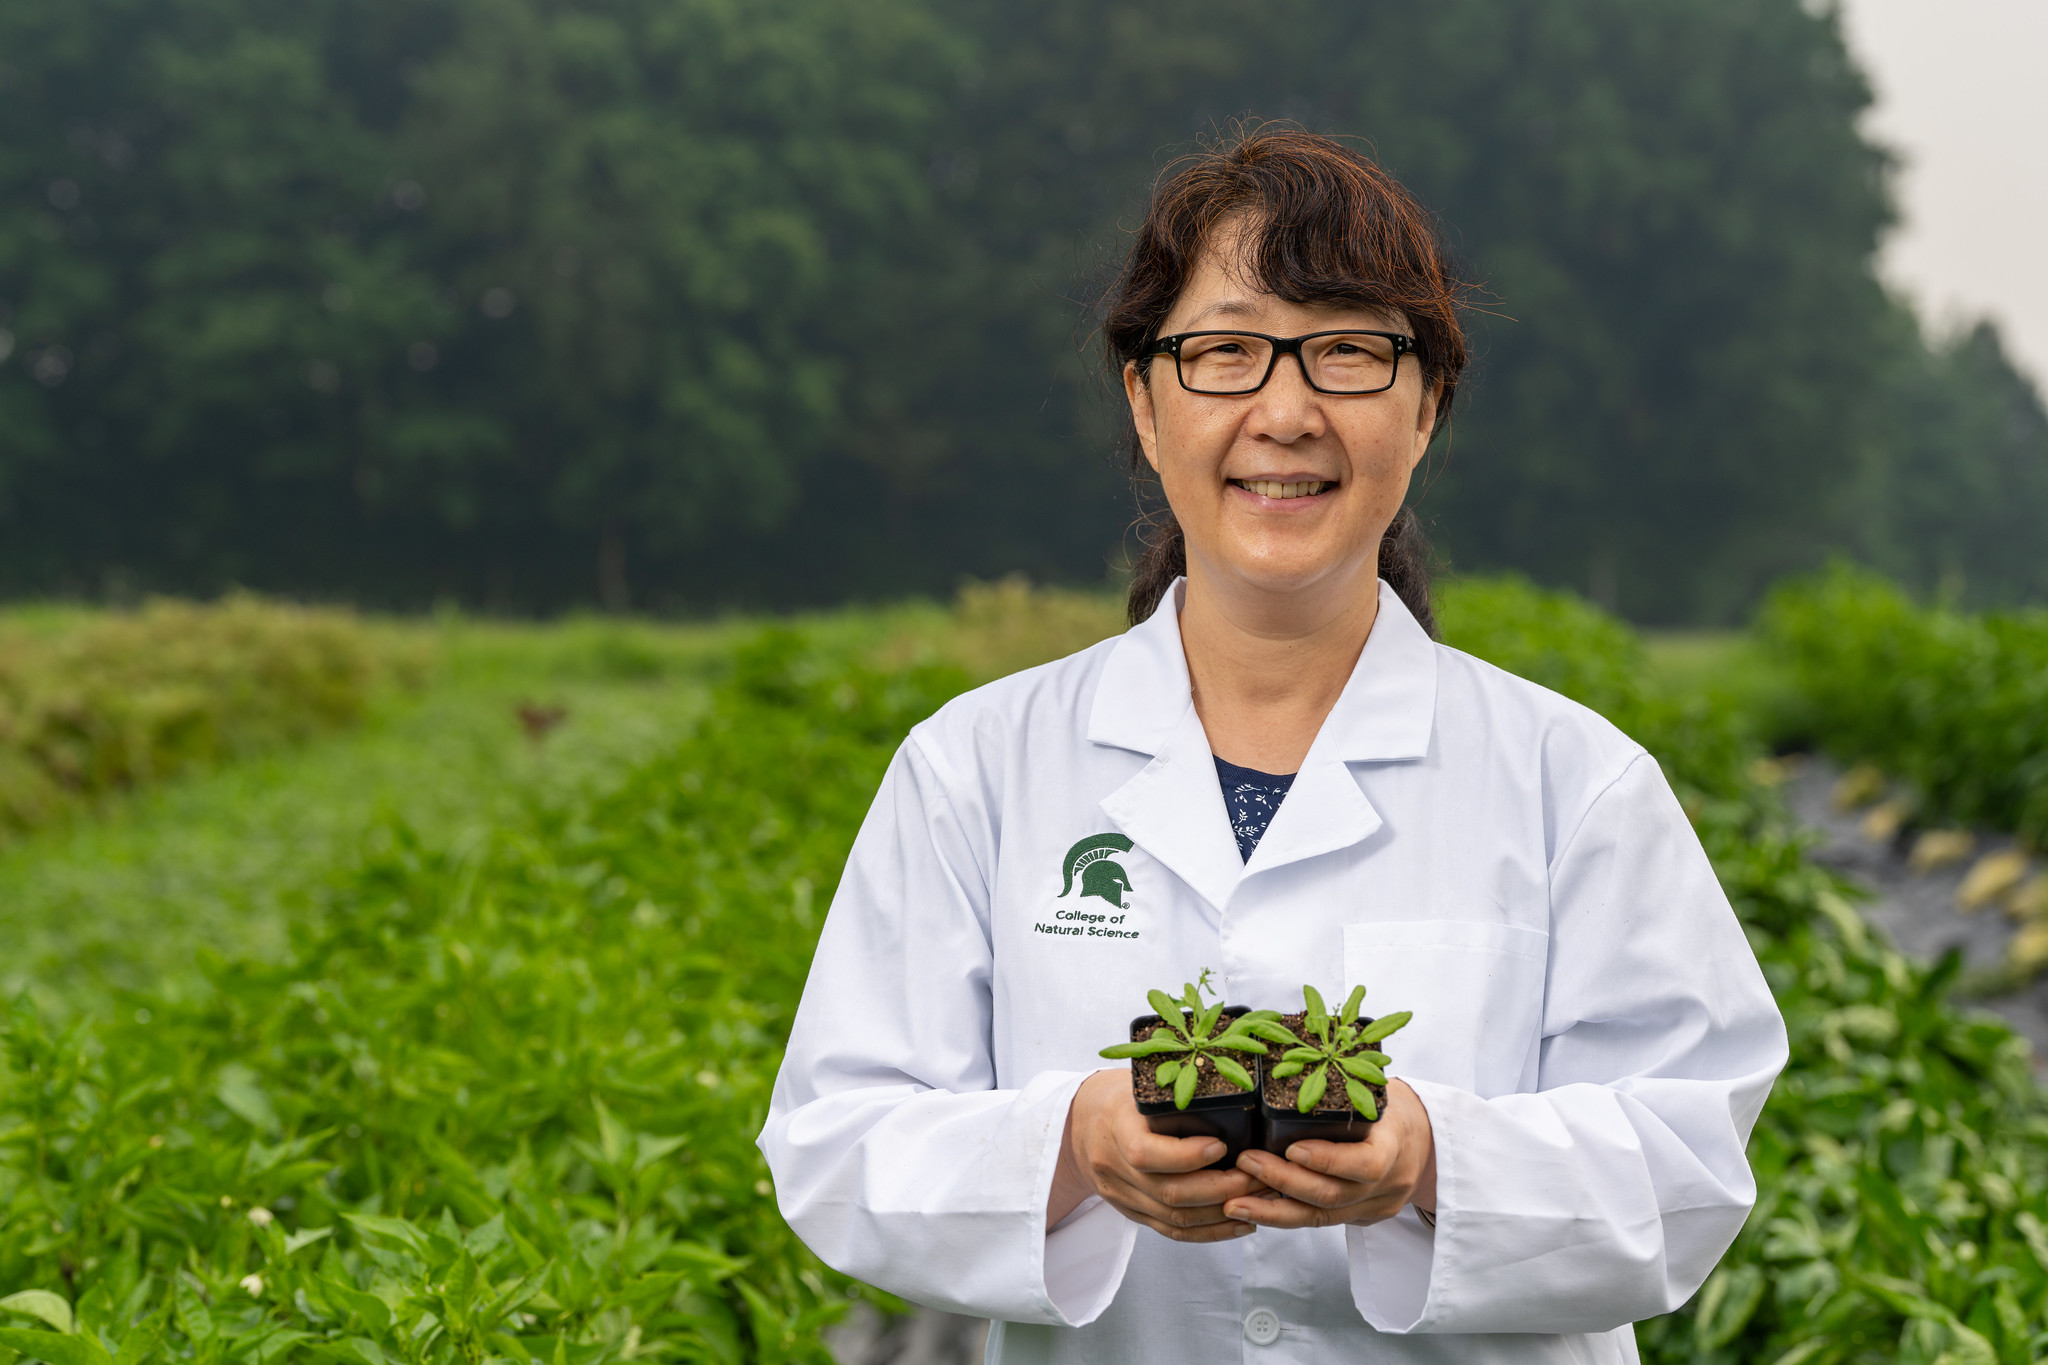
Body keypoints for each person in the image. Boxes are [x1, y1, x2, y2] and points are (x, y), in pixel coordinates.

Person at [759, 127, 1787, 1364]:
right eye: (1226, 353)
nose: (1285, 412)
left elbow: (1684, 1168)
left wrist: (1427, 1158)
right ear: (1144, 401)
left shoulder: (1575, 784)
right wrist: (1071, 1145)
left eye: (1348, 352)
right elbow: (837, 1141)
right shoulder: (973, 770)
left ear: (1426, 407)